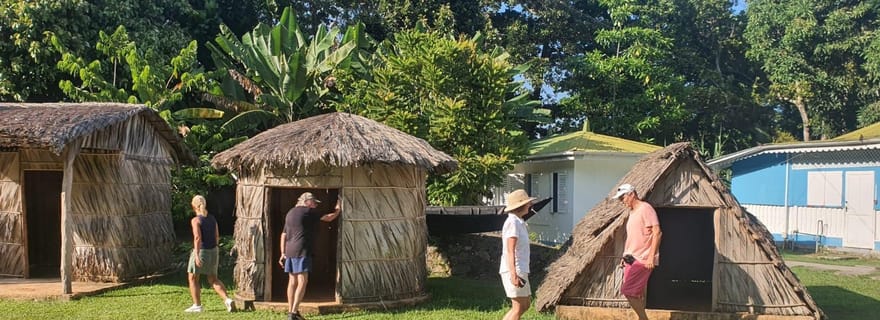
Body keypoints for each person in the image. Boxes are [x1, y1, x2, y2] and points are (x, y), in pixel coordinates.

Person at [279, 192, 341, 320]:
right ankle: (293, 312)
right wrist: (338, 209)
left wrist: (282, 253)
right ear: (306, 201)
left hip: (289, 250)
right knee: (302, 281)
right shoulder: (308, 211)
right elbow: (329, 218)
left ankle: (291, 311)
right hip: (302, 250)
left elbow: (283, 235)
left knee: (292, 281)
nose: (315, 206)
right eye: (314, 203)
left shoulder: (290, 213)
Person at [613, 183, 662, 320]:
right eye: (620, 199)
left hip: (643, 259)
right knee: (634, 293)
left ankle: (643, 319)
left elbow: (657, 233)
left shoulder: (646, 209)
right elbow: (634, 236)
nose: (622, 201)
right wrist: (625, 254)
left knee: (628, 292)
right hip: (631, 258)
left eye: (623, 198)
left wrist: (651, 257)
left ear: (632, 194)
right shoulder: (633, 212)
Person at [185, 195, 236, 313]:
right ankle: (227, 300)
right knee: (213, 279)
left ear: (194, 206)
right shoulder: (212, 219)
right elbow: (217, 236)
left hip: (202, 250)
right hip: (213, 250)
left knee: (192, 277)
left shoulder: (195, 220)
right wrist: (215, 249)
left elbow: (197, 238)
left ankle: (197, 305)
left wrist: (197, 255)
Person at [499, 189, 535, 320]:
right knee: (518, 307)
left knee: (525, 304)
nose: (530, 205)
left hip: (521, 268)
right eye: (528, 203)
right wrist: (513, 274)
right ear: (521, 206)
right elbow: (510, 250)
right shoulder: (513, 223)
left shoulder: (519, 222)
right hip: (515, 269)